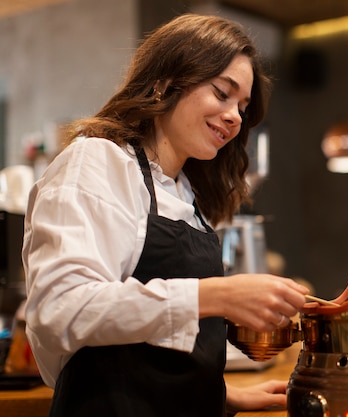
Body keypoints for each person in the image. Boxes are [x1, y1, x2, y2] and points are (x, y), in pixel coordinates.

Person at [21, 13, 309, 417]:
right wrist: (217, 295)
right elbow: (63, 308)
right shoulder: (98, 160)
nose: (235, 117)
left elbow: (153, 354)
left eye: (242, 107)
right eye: (222, 93)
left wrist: (220, 395)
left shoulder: (187, 194)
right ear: (163, 83)